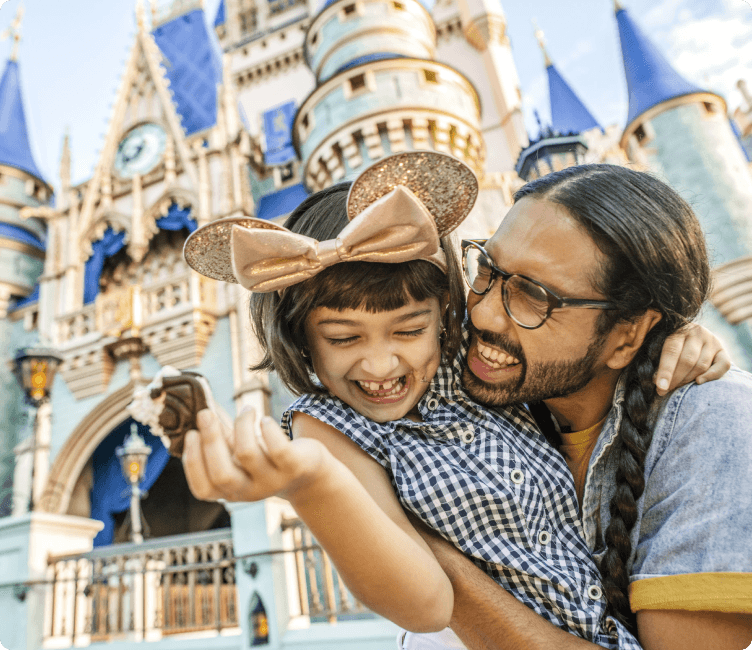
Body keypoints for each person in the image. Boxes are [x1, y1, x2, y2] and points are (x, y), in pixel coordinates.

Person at [181, 153, 731, 649]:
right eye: (344, 338)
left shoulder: (465, 364)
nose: (380, 365)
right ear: (301, 340)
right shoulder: (331, 426)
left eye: (408, 329)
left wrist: (685, 337)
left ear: (442, 312)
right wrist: (312, 482)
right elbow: (427, 605)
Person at [409, 163, 752, 650]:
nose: (481, 311)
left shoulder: (715, 422)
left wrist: (424, 553)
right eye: (486, 268)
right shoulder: (487, 395)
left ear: (627, 334)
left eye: (533, 296)